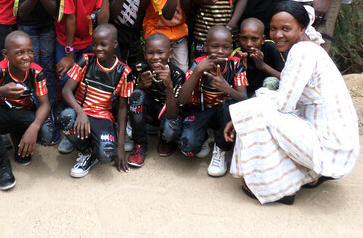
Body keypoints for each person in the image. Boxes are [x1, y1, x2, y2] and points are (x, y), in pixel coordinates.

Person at [225, 1, 360, 205]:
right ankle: (305, 177)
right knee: (259, 106)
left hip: (329, 147)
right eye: (274, 28)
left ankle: (279, 189)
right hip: (337, 144)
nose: (278, 35)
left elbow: (283, 105)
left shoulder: (302, 52)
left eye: (286, 29)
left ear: (303, 29)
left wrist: (241, 113)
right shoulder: (310, 47)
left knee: (258, 112)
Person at [0, 30, 54, 191]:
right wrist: (0, 92)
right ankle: (2, 164)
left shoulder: (36, 72)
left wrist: (33, 129)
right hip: (1, 115)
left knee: (47, 132)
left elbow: (45, 105)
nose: (26, 57)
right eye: (19, 52)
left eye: (30, 51)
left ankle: (19, 138)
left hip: (23, 115)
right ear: (5, 54)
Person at [54, 0, 110, 154]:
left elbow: (102, 22)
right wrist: (69, 54)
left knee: (87, 82)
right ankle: (68, 128)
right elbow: (70, 17)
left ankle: (87, 122)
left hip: (88, 41)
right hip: (66, 41)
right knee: (64, 79)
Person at [60, 24, 133, 177]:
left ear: (115, 44)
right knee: (67, 117)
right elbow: (66, 90)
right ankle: (86, 152)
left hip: (102, 116)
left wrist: (120, 145)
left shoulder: (124, 72)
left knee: (107, 155)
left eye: (103, 44)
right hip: (81, 114)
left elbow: (122, 108)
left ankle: (97, 145)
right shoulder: (86, 60)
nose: (98, 48)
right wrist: (80, 112)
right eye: (94, 44)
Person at [177, 26, 247, 177]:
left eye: (225, 47)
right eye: (215, 46)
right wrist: (197, 72)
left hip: (224, 113)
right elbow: (182, 100)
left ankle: (221, 148)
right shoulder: (198, 64)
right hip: (201, 109)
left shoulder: (236, 65)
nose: (220, 51)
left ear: (232, 47)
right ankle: (204, 135)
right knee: (188, 148)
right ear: (206, 46)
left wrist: (227, 88)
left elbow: (244, 99)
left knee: (230, 105)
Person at [12, 0, 63, 114]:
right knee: (30, 68)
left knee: (48, 68)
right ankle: (32, 109)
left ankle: (51, 111)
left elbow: (55, 11)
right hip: (27, 26)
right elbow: (22, 13)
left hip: (48, 25)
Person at [127, 33, 185, 166]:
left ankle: (165, 140)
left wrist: (169, 86)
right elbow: (127, 97)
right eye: (150, 53)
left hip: (168, 113)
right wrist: (141, 85)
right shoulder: (140, 69)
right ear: (144, 53)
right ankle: (140, 144)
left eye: (160, 53)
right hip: (149, 112)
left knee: (171, 127)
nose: (155, 58)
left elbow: (173, 114)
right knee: (137, 94)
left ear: (170, 53)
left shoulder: (177, 75)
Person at [234, 17, 283, 97]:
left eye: (254, 39)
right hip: (247, 96)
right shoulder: (237, 54)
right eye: (244, 38)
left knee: (270, 81)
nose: (249, 44)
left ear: (263, 39)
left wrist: (262, 66)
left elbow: (285, 78)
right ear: (239, 38)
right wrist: (241, 70)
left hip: (271, 94)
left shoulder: (270, 47)